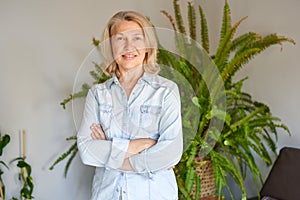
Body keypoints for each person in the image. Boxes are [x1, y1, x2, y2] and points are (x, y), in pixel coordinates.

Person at [77, 10, 183, 200]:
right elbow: (86, 151)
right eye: (120, 39)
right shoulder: (98, 94)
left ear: (148, 45)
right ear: (110, 47)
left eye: (137, 38)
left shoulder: (166, 91)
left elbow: (170, 154)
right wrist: (141, 146)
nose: (129, 46)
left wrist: (108, 152)